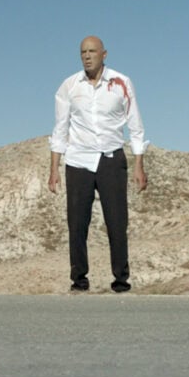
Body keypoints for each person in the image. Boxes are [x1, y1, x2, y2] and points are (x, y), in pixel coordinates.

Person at [48, 36, 148, 292]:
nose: (87, 56)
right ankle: (79, 281)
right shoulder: (69, 86)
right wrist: (54, 169)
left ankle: (121, 281)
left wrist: (139, 164)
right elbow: (60, 129)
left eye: (92, 51)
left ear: (104, 54)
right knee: (77, 224)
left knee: (117, 222)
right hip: (78, 160)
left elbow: (135, 125)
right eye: (83, 52)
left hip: (111, 159)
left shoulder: (121, 83)